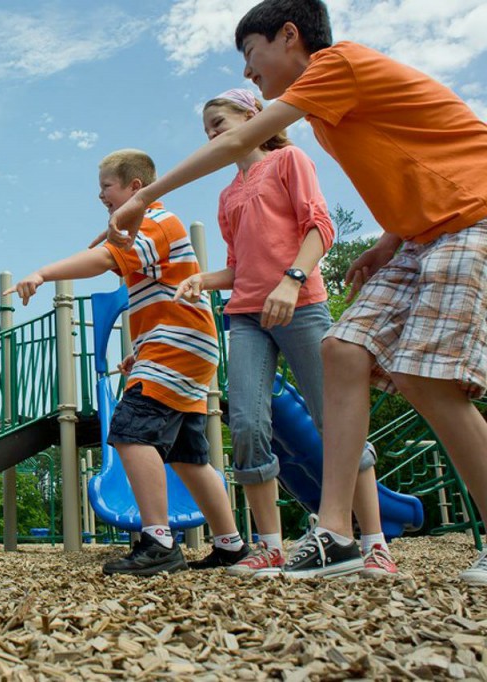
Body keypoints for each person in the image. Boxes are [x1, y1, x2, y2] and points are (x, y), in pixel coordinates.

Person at [105, 0, 487, 582]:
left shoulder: (339, 65)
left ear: (289, 36)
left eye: (250, 54)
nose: (248, 72)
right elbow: (414, 166)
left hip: (472, 217)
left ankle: (366, 532)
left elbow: (242, 150)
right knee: (346, 353)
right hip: (420, 236)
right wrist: (389, 238)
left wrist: (141, 197)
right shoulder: (328, 119)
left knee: (428, 378)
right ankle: (335, 534)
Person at [174, 89, 395, 578]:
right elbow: (238, 266)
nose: (212, 132)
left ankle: (374, 543)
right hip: (247, 317)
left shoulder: (290, 160)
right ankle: (270, 545)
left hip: (302, 305)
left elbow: (320, 226)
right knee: (249, 425)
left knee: (336, 420)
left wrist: (292, 281)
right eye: (206, 128)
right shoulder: (227, 193)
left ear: (254, 117)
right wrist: (201, 279)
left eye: (219, 121)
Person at [9, 149, 248, 576]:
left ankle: (158, 542)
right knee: (188, 456)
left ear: (135, 188)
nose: (100, 194)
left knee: (129, 432)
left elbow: (105, 260)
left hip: (178, 345)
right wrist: (140, 350)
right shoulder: (146, 228)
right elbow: (159, 297)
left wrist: (44, 273)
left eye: (107, 186)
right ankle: (230, 544)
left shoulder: (155, 220)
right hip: (186, 344)